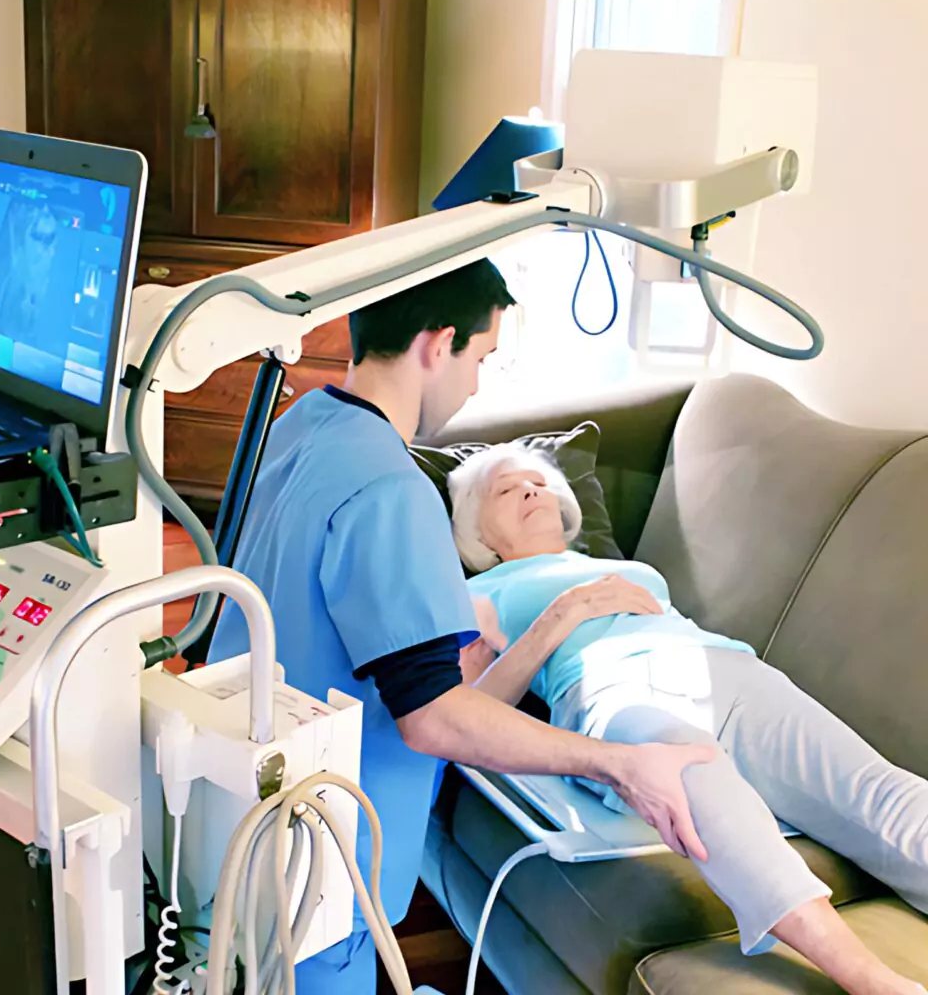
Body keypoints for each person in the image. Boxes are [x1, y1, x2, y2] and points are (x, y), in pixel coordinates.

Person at [207, 259, 716, 994]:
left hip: (245, 801)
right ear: (437, 344)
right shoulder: (390, 486)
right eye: (480, 357)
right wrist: (618, 764)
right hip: (325, 856)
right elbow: (432, 719)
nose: (477, 382)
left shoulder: (300, 425)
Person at [447, 441, 928, 995]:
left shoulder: (616, 567)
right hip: (611, 687)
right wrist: (565, 613)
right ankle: (874, 981)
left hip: (723, 667)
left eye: (538, 481)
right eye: (507, 489)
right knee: (696, 788)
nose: (531, 489)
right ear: (479, 536)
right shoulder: (479, 592)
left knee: (882, 795)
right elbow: (470, 712)